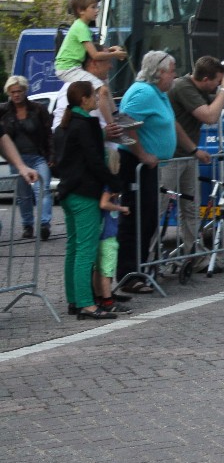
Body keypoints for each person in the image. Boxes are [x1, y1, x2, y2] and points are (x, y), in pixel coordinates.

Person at [55, 81, 123, 320]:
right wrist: (114, 183)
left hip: (67, 192)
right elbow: (95, 161)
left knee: (73, 248)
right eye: (93, 96)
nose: (96, 99)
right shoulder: (86, 125)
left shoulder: (63, 126)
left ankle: (74, 300)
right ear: (83, 100)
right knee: (86, 250)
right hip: (84, 194)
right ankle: (86, 303)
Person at [116, 51, 178, 291]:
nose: (174, 76)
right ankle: (128, 275)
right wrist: (142, 154)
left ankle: (139, 270)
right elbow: (125, 122)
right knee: (135, 219)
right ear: (159, 72)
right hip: (136, 165)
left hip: (149, 167)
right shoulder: (143, 93)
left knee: (148, 219)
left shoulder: (158, 94)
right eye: (172, 71)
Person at [166, 56, 224, 255]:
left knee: (191, 208)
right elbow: (210, 116)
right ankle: (149, 259)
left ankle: (194, 255)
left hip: (188, 155)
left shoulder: (199, 89)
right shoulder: (183, 87)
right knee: (160, 208)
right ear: (205, 79)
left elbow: (214, 107)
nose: (218, 85)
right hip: (170, 158)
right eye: (217, 81)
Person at [53, 0, 125, 119]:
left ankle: (116, 115)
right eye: (93, 7)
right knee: (102, 90)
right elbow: (95, 55)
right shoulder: (81, 28)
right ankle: (112, 124)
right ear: (81, 10)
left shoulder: (81, 27)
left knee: (104, 81)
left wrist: (111, 50)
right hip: (68, 68)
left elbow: (91, 50)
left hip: (71, 67)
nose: (97, 10)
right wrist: (115, 55)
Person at [0, 75, 54, 240]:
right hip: (17, 158)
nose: (16, 95)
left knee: (43, 189)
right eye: (13, 92)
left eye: (19, 91)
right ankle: (27, 225)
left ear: (25, 91)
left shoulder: (38, 109)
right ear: (8, 93)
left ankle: (44, 224)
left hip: (38, 156)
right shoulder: (3, 111)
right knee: (23, 195)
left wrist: (51, 155)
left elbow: (49, 134)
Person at [93, 189, 131, 314]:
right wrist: (121, 208)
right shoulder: (109, 186)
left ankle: (99, 296)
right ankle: (108, 301)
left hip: (100, 235)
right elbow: (104, 203)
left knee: (98, 269)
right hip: (108, 236)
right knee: (107, 271)